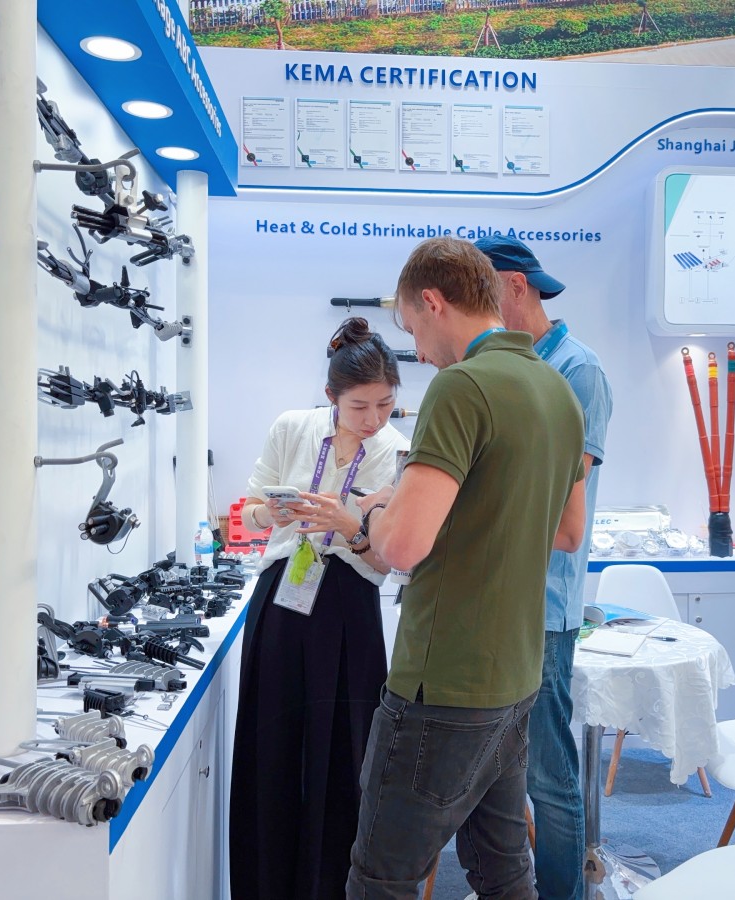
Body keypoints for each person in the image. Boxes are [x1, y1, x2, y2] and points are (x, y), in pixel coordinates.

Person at [346, 236, 588, 899]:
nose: (420, 352)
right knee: (503, 873)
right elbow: (569, 531)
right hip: (515, 677)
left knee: (381, 880)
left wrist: (377, 513)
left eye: (412, 330)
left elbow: (402, 548)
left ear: (433, 302)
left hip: (443, 682)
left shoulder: (461, 387)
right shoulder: (558, 390)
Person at [229, 317, 410, 900]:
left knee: (346, 755)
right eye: (359, 406)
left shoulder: (398, 453)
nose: (373, 419)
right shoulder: (292, 428)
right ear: (331, 395)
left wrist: (351, 524)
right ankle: (267, 883)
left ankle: (332, 887)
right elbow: (244, 513)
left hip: (349, 606)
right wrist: (272, 514)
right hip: (283, 597)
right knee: (272, 746)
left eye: (385, 404)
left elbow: (388, 559)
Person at [475, 234, 612, 900]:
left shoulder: (578, 371)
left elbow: (558, 502)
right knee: (497, 768)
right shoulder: (502, 365)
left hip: (545, 605)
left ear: (515, 286)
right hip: (496, 597)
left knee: (548, 776)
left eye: (482, 293)